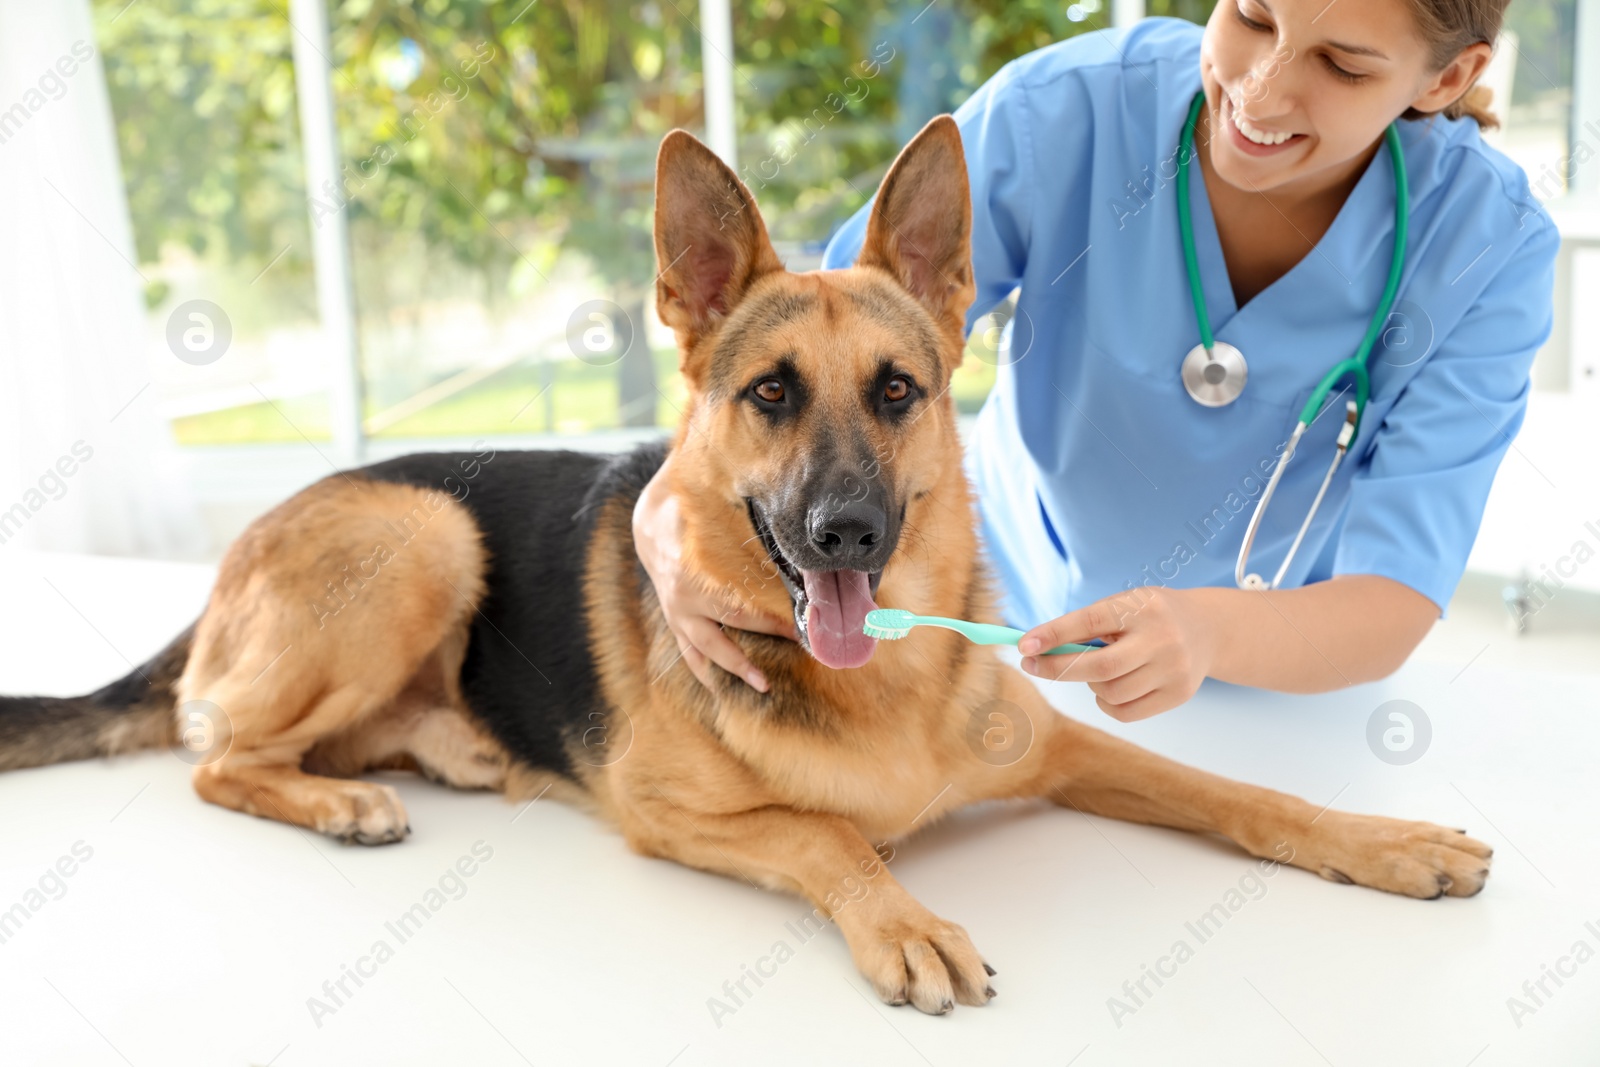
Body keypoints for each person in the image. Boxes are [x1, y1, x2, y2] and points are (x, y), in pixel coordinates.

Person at [631, 0, 1559, 721]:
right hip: (996, 632)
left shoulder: (1489, 246)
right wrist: (661, 510)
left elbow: (1392, 598)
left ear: (1450, 77)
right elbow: (806, 341)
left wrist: (1201, 630)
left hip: (1290, 685)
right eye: (1252, 16)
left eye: (1341, 64)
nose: (1263, 91)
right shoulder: (1064, 114)